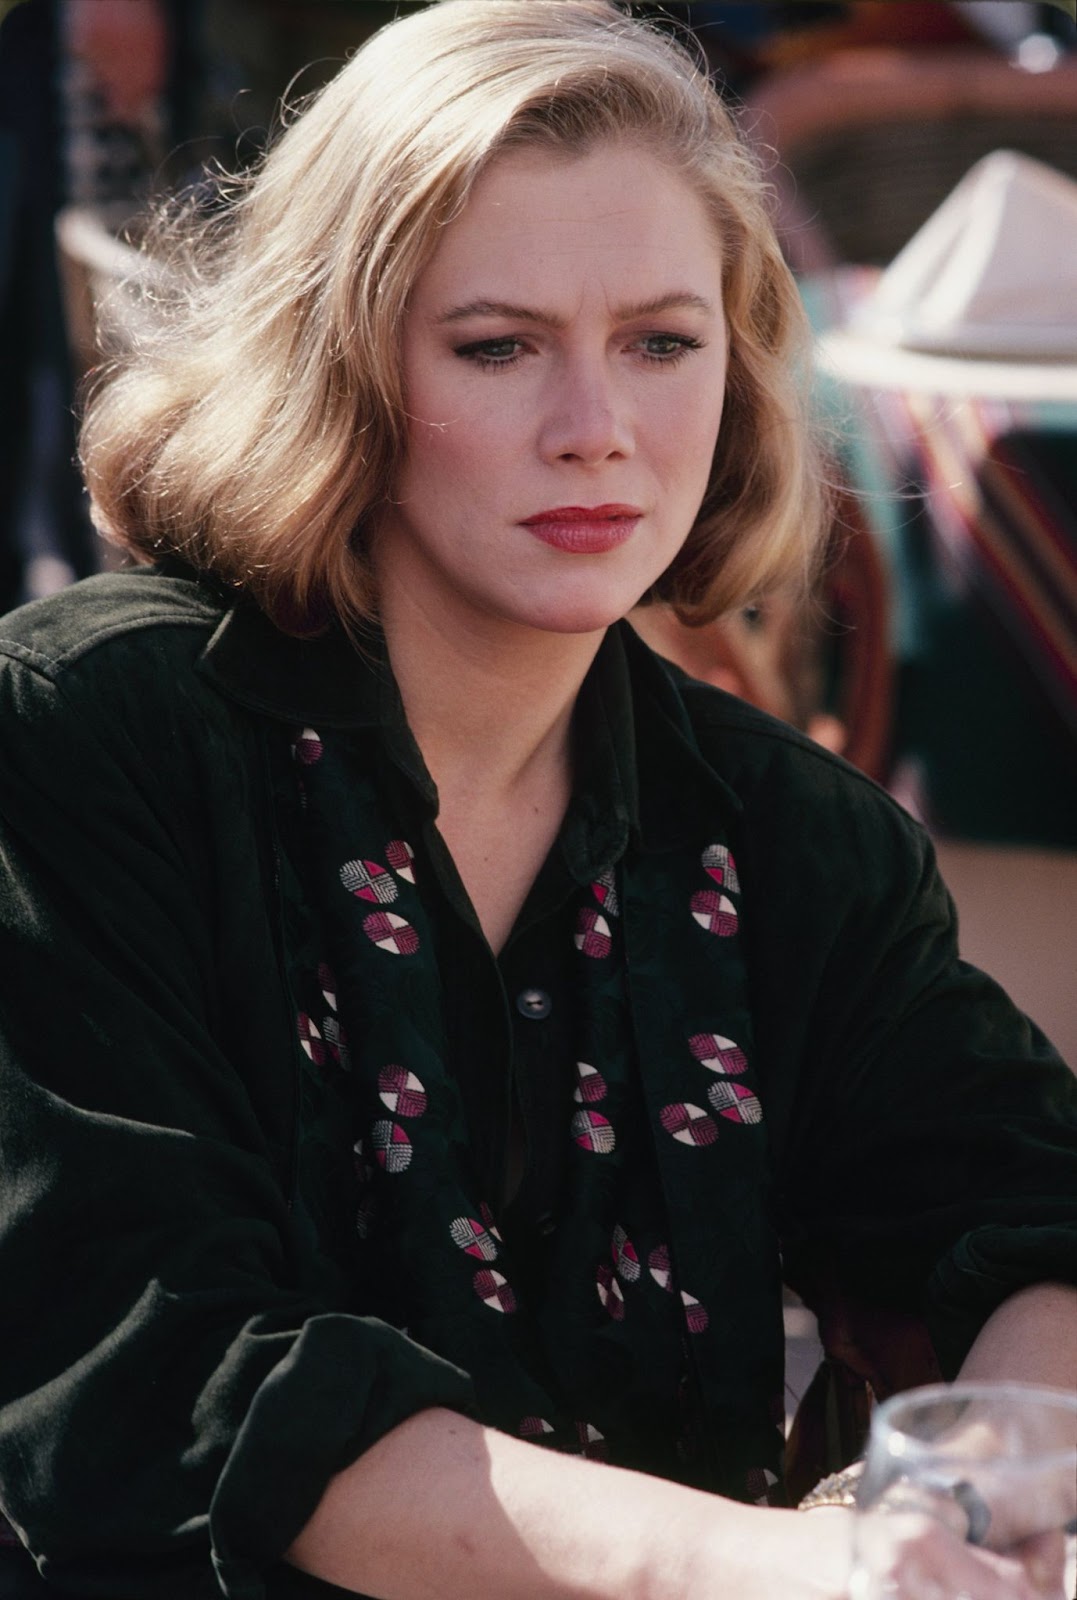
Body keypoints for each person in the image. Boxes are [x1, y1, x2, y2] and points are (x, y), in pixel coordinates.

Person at [0, 3, 1074, 1597]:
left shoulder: (783, 837)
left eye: (660, 341)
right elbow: (167, 1383)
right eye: (496, 347)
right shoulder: (91, 733)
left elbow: (1024, 1206)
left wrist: (981, 1488)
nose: (598, 432)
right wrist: (775, 1571)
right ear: (341, 361)